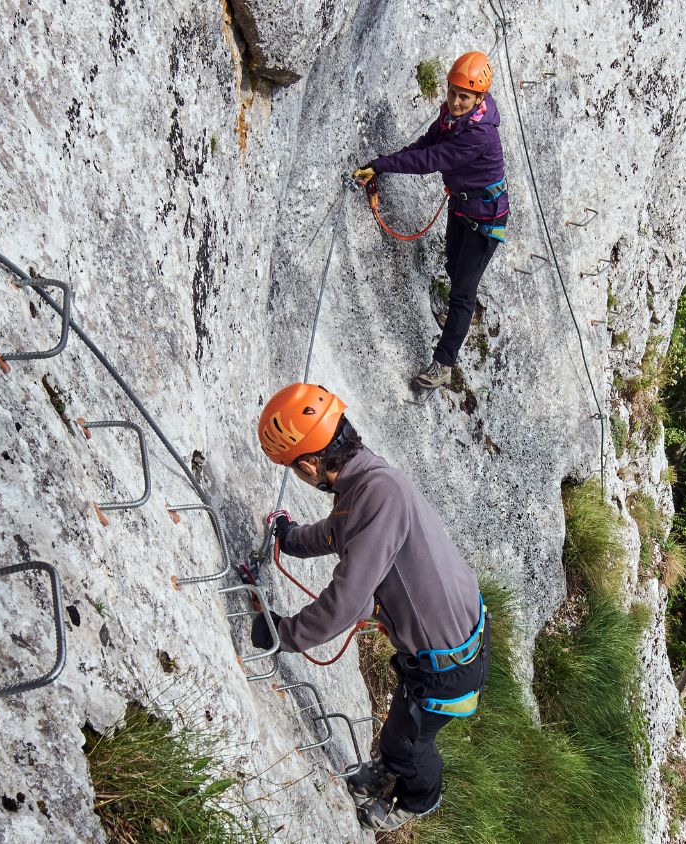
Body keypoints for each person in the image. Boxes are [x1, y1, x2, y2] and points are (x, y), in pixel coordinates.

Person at [250, 382, 489, 831]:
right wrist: (290, 537)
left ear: (308, 464)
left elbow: (346, 603)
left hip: (449, 665)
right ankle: (390, 767)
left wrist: (284, 635)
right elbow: (338, 532)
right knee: (401, 727)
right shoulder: (369, 480)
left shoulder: (376, 496)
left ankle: (417, 800)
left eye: (296, 470)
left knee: (409, 743)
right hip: (450, 642)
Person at [354, 51, 508, 391]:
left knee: (463, 293)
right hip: (461, 207)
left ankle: (443, 364)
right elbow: (426, 144)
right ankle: (457, 318)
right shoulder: (451, 117)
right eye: (452, 92)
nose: (454, 100)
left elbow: (431, 160)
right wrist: (381, 163)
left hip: (486, 221)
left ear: (479, 97)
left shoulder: (479, 135)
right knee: (455, 273)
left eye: (463, 96)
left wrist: (381, 166)